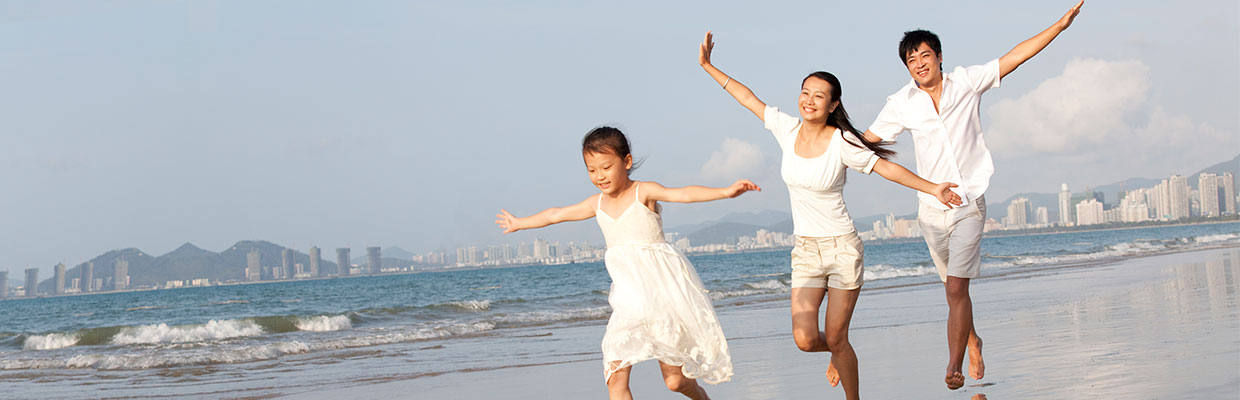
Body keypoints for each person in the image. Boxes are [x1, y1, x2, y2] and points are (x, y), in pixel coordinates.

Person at [698, 31, 962, 400]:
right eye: (805, 93)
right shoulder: (786, 129)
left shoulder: (843, 142)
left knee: (837, 335)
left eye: (819, 96)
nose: (809, 101)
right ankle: (840, 353)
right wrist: (710, 67)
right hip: (805, 251)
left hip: (842, 249)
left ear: (833, 104)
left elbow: (885, 168)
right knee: (806, 339)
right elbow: (748, 99)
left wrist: (932, 186)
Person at [860, 1, 1085, 390]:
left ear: (940, 57)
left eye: (925, 55)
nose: (919, 64)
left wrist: (1059, 27)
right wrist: (823, 134)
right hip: (931, 210)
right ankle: (974, 339)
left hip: (968, 201)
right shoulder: (901, 105)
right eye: (911, 60)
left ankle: (954, 363)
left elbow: (1015, 56)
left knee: (954, 287)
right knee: (954, 290)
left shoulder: (966, 81)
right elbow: (866, 141)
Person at [496, 127, 756, 400]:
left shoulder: (643, 192)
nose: (599, 176)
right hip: (627, 305)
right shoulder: (596, 204)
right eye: (591, 170)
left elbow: (683, 193)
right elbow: (556, 214)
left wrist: (725, 192)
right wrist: (520, 223)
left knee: (675, 382)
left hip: (662, 302)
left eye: (606, 167)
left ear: (627, 162)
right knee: (615, 379)